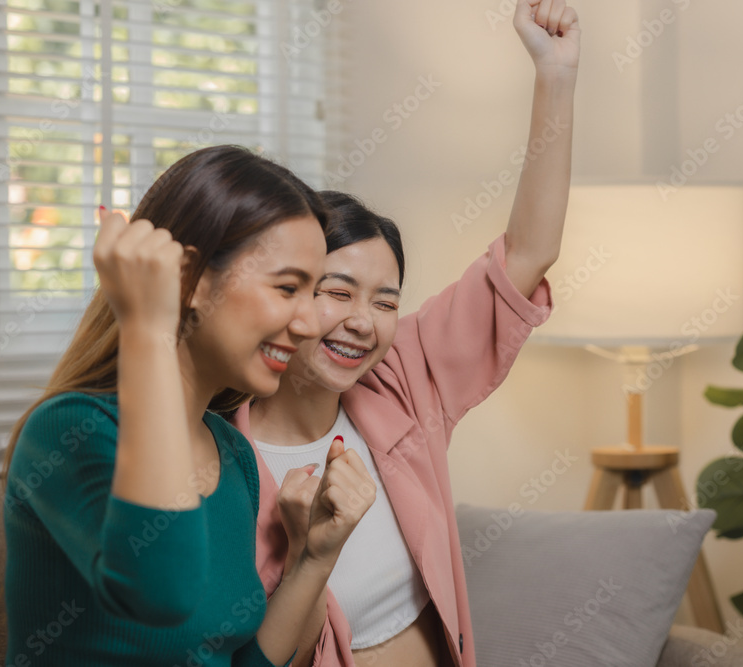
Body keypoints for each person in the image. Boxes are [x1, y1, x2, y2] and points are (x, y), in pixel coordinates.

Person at [229, 1, 580, 665]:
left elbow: (528, 252)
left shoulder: (403, 378)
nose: (364, 321)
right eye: (337, 291)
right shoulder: (223, 459)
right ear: (288, 294)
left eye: (385, 300)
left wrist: (554, 76)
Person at [2, 145, 377, 666]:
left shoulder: (232, 452)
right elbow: (161, 594)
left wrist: (314, 557)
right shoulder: (71, 430)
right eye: (288, 287)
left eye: (313, 292)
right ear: (192, 281)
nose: (311, 323)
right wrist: (149, 327)